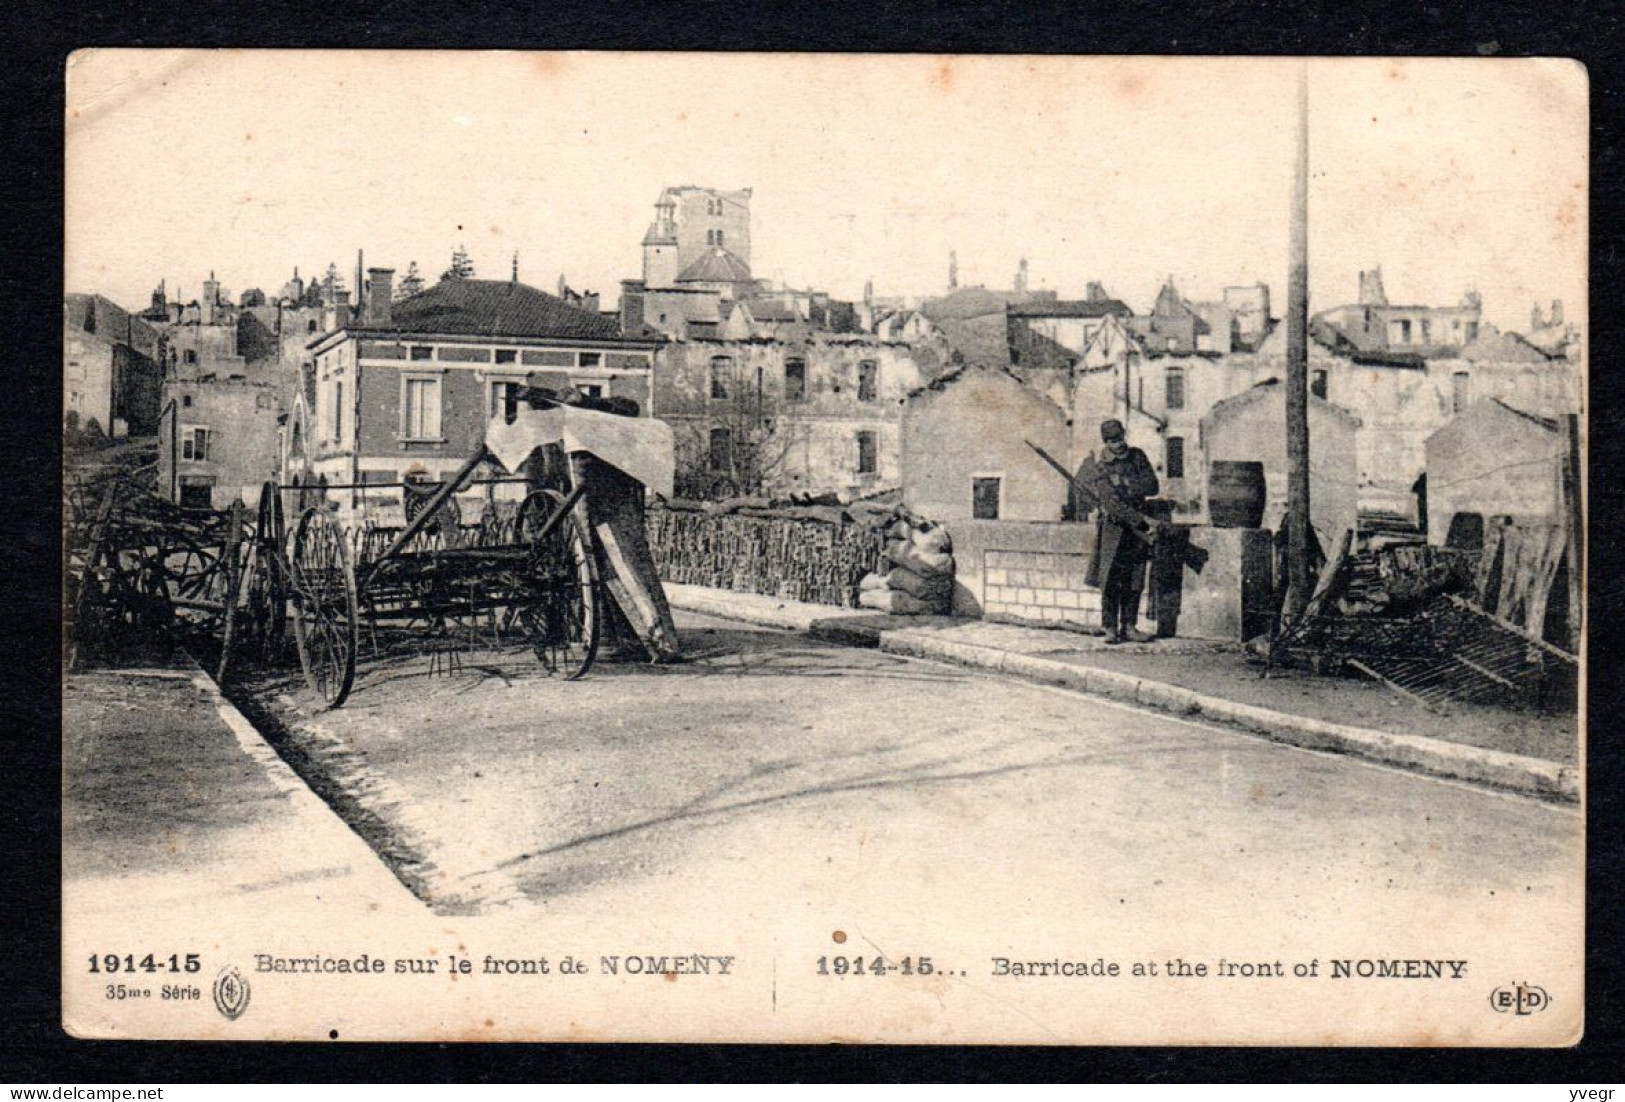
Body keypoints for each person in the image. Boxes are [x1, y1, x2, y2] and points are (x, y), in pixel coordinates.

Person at [1084, 418, 1160, 644]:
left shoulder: (1137, 456)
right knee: (1110, 580)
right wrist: (1133, 504)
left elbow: (1152, 486)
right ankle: (1110, 627)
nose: (1117, 444)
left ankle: (1129, 626)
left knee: (1135, 579)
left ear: (1124, 435)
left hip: (1137, 531)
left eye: (1119, 439)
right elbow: (1112, 504)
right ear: (1105, 442)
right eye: (1111, 441)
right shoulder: (1101, 467)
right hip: (1114, 530)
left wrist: (1125, 486)